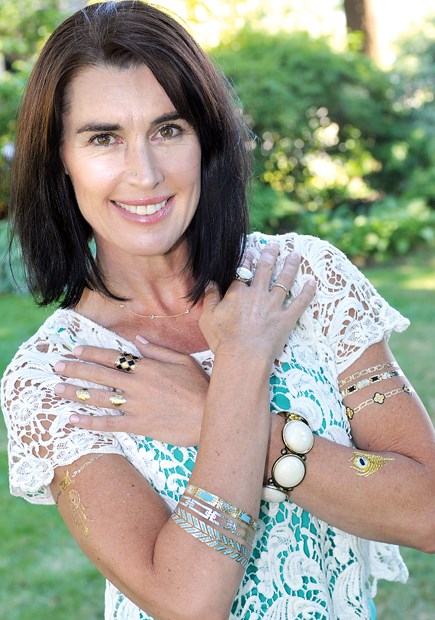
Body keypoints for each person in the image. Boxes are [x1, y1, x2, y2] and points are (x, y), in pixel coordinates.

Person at [1, 1, 434, 618]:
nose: (144, 173)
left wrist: (209, 413)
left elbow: (427, 509)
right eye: (104, 138)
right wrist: (240, 364)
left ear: (206, 138)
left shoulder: (302, 280)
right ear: (58, 159)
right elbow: (189, 599)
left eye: (168, 129)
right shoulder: (58, 377)